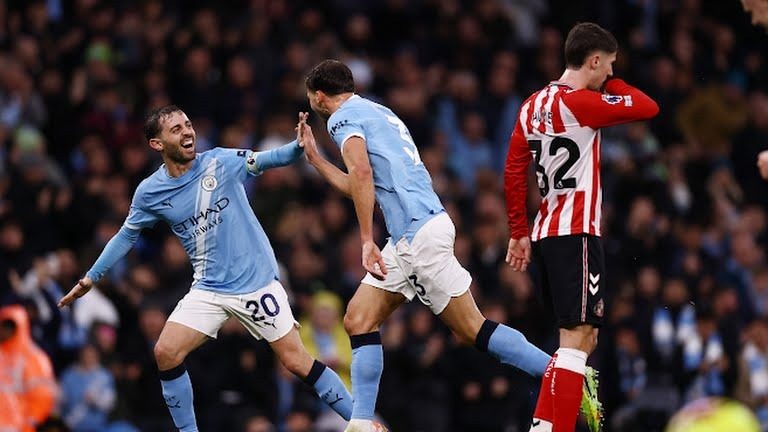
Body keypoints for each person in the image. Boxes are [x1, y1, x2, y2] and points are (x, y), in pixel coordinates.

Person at [297, 59, 601, 432]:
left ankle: (567, 376)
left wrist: (365, 240)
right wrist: (315, 159)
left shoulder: (340, 119)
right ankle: (361, 422)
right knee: (358, 319)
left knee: (473, 329)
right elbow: (361, 185)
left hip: (417, 236)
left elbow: (361, 175)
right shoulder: (378, 112)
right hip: (413, 234)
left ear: (319, 96)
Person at [58, 105, 354, 432]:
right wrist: (91, 277)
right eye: (176, 129)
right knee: (166, 352)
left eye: (188, 124)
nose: (187, 132)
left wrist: (298, 146)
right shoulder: (150, 192)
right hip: (210, 288)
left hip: (256, 283)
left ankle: (362, 422)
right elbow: (126, 235)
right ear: (157, 144)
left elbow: (269, 159)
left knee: (296, 360)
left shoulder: (220, 162)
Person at [504, 22, 659, 432]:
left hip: (545, 235)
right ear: (593, 60)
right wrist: (614, 86)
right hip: (577, 235)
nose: (610, 73)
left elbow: (514, 171)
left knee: (580, 339)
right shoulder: (584, 104)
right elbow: (647, 107)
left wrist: (518, 231)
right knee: (577, 340)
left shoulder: (531, 105)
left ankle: (543, 425)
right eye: (608, 64)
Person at [0, 305, 57, 432]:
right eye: (4, 326)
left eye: (11, 327)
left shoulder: (34, 358)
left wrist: (30, 421)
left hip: (17, 426)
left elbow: (43, 395)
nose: (5, 331)